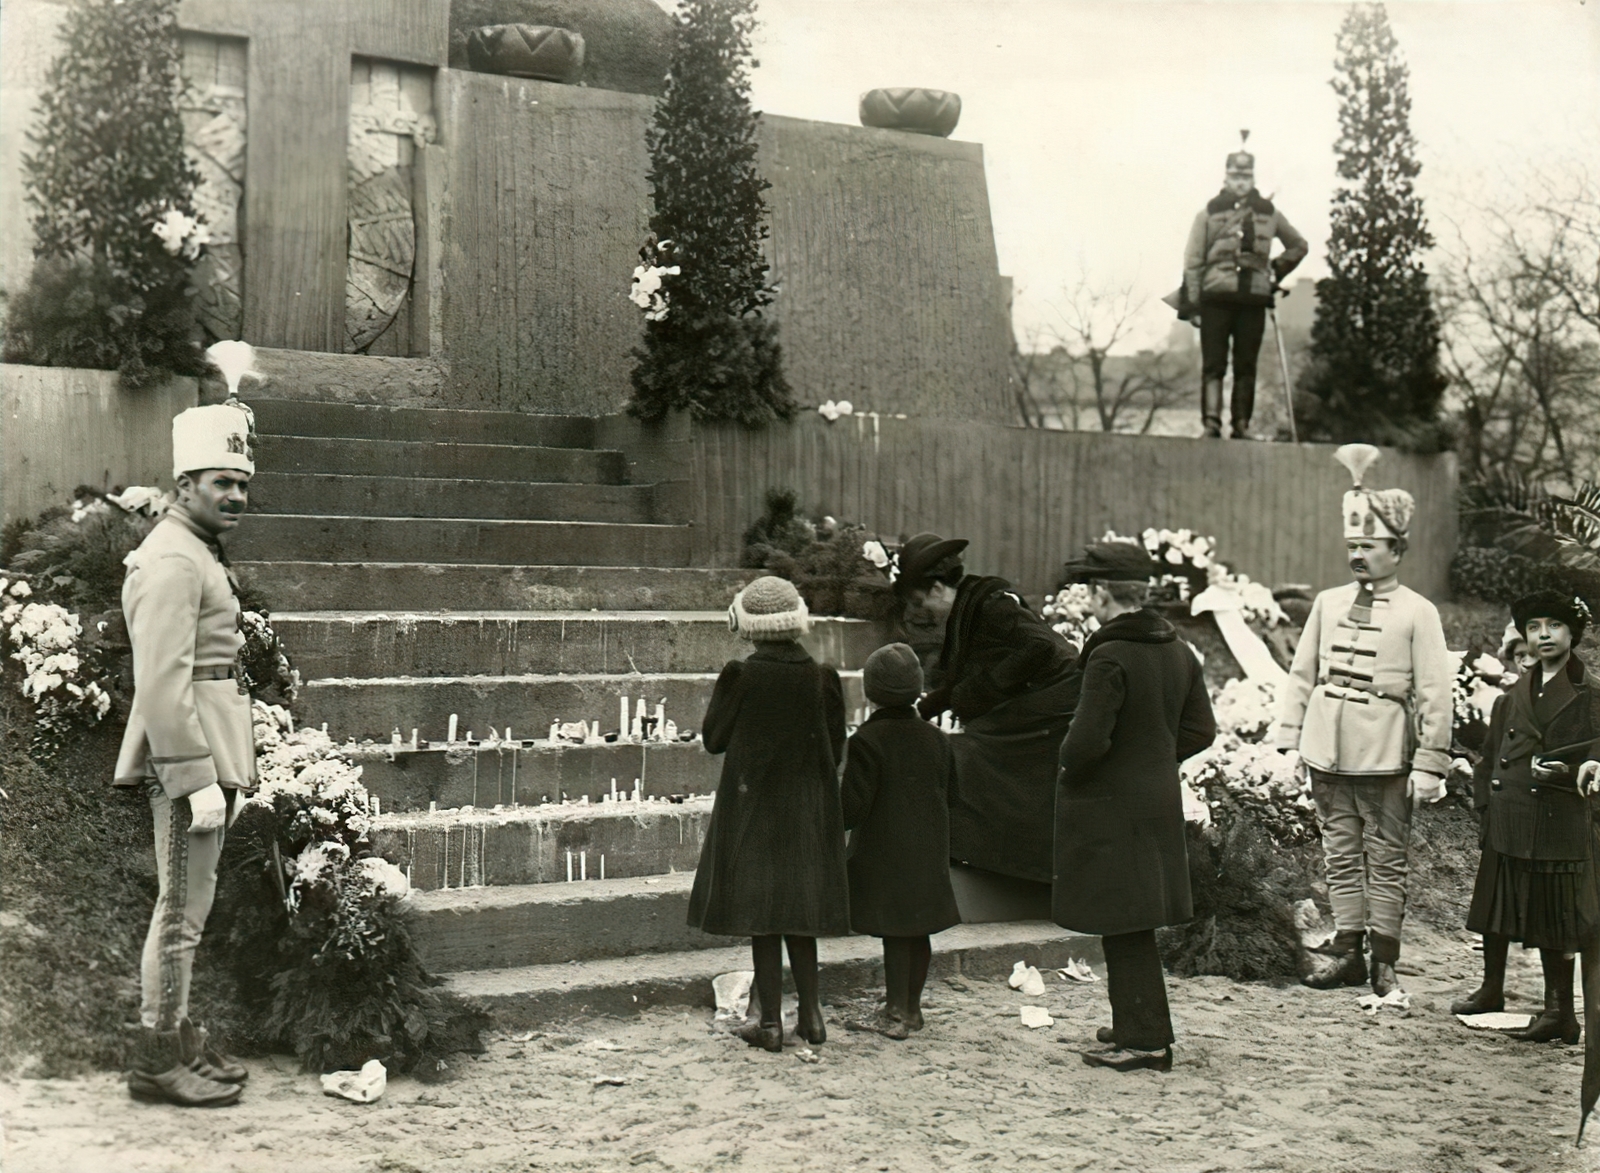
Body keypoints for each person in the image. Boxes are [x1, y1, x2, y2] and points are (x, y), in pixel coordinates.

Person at [1273, 443, 1454, 997]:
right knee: (1340, 852)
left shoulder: (1419, 611)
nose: (1358, 554)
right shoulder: (1327, 603)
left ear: (1396, 550)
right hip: (1326, 748)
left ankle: (1386, 959)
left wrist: (1430, 763)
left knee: (1387, 857)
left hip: (1386, 752)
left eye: (1369, 545)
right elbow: (1302, 675)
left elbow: (1435, 692)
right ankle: (1349, 949)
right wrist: (1287, 739)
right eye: (1352, 544)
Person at [118, 404, 258, 1107]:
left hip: (209, 746)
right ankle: (154, 1061)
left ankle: (175, 1043)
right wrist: (195, 778)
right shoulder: (173, 556)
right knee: (179, 912)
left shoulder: (195, 548)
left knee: (190, 909)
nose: (234, 495)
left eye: (242, 481)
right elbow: (163, 681)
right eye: (219, 481)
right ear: (184, 482)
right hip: (187, 760)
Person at [1052, 541, 1217, 1072]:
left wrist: (1076, 768)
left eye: (1088, 588)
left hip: (1112, 805)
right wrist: (1151, 759)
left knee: (1123, 921)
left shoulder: (1110, 655)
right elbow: (1200, 730)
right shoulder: (1178, 649)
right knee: (1132, 920)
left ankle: (1145, 1041)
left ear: (1104, 592)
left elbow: (1083, 746)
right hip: (1156, 801)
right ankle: (1135, 1024)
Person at [687, 575, 850, 1053]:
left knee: (765, 918)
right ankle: (814, 1018)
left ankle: (771, 1023)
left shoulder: (742, 675)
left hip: (755, 810)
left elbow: (714, 739)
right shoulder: (823, 678)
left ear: (749, 626)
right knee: (800, 913)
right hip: (808, 811)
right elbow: (835, 751)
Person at [1455, 591, 1599, 1043]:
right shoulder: (1517, 689)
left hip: (1559, 818)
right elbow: (1489, 757)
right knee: (1502, 905)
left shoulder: (1591, 693)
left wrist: (1573, 771)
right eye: (1533, 627)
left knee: (1555, 913)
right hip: (1509, 814)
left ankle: (1560, 1012)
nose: (1543, 635)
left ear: (1572, 633)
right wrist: (1485, 810)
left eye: (1553, 626)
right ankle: (1494, 990)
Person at [896, 533, 1079, 884]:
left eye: (921, 602)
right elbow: (968, 678)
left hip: (1052, 710)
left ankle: (1011, 861)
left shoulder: (993, 605)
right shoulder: (972, 605)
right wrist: (924, 708)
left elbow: (1040, 646)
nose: (924, 612)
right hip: (1034, 708)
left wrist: (984, 689)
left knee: (968, 759)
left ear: (937, 589)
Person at [840, 643, 962, 1040]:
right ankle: (912, 1007)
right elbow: (953, 795)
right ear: (917, 690)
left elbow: (852, 809)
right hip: (927, 850)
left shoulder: (866, 741)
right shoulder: (938, 739)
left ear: (871, 692)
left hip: (885, 853)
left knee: (895, 934)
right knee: (918, 931)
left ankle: (896, 1013)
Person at [1182, 131, 1308, 439]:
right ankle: (1211, 423)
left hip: (1252, 298)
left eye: (1246, 175)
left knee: (1246, 365)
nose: (1240, 181)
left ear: (1253, 178)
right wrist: (1195, 304)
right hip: (1216, 297)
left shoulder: (1268, 212)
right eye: (1235, 175)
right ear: (1225, 177)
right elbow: (1193, 260)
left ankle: (1242, 425)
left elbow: (1298, 245)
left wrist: (1275, 270)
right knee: (1213, 365)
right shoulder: (1209, 213)